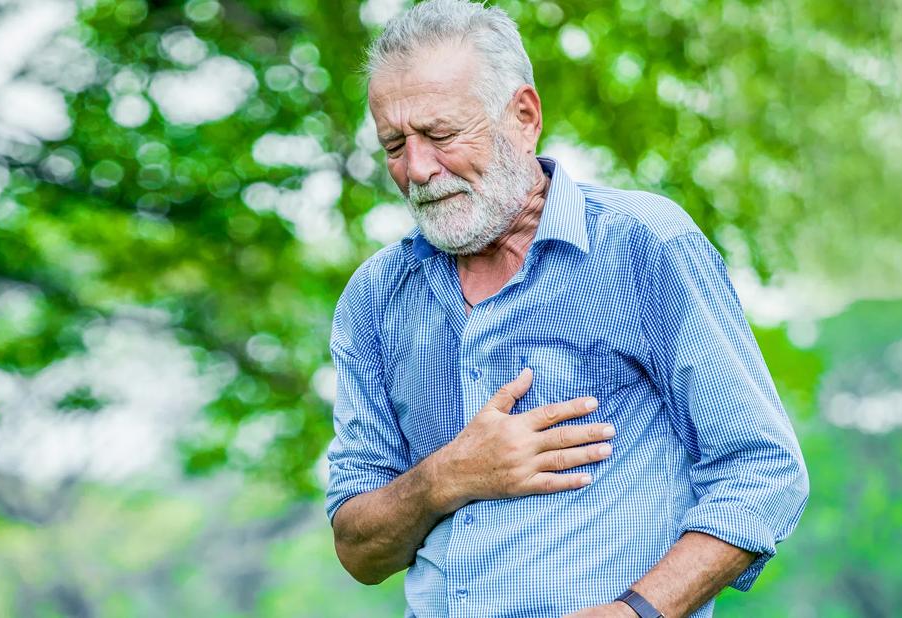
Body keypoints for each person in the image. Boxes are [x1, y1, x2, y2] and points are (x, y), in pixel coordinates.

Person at [324, 1, 809, 616]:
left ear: (523, 117)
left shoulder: (644, 243)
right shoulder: (375, 298)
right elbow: (359, 549)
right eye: (395, 144)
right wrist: (448, 476)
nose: (417, 168)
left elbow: (762, 471)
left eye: (441, 135)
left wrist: (634, 612)